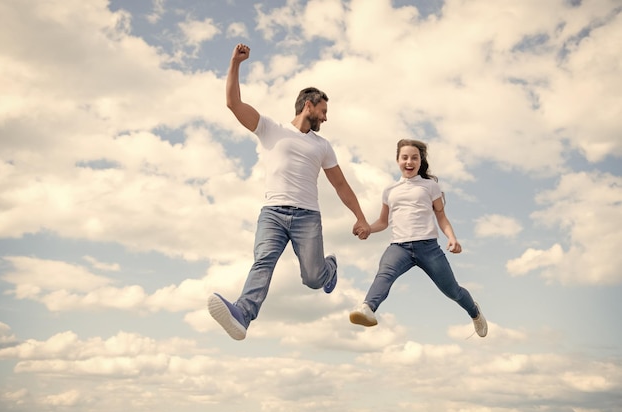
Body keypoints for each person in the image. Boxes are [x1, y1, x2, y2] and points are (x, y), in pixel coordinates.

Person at [208, 43, 371, 340]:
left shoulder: (322, 146)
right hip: (272, 213)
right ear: (308, 105)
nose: (325, 118)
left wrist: (360, 217)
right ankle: (243, 314)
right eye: (323, 111)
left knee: (312, 278)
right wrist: (235, 63)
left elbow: (340, 184)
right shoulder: (270, 128)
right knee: (263, 261)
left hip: (307, 217)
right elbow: (233, 103)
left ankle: (328, 268)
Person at [349, 139, 487, 337]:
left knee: (452, 291)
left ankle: (474, 312)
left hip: (428, 247)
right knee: (384, 274)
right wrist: (368, 229)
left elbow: (441, 216)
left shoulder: (430, 186)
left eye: (414, 158)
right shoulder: (390, 190)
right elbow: (383, 221)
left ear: (420, 162)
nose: (409, 162)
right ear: (397, 160)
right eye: (404, 157)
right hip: (399, 247)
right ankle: (367, 308)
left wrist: (452, 238)